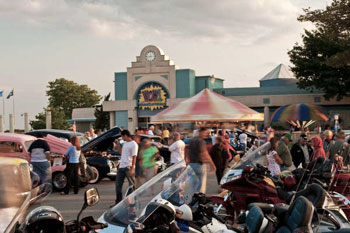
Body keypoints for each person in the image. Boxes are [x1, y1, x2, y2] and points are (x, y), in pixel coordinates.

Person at [186, 127, 216, 193]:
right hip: (198, 165)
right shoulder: (200, 141)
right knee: (200, 186)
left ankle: (193, 198)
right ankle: (199, 200)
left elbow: (187, 151)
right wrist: (212, 165)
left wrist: (187, 162)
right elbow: (205, 154)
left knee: (193, 185)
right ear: (201, 132)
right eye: (206, 133)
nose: (207, 135)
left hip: (191, 165)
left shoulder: (192, 140)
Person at [114, 130, 138, 205]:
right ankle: (118, 202)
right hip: (121, 166)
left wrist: (133, 168)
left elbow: (134, 156)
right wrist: (117, 145)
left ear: (125, 136)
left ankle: (132, 202)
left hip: (129, 166)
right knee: (118, 185)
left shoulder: (134, 144)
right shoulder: (125, 143)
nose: (122, 138)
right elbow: (121, 153)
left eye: (122, 136)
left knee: (131, 186)